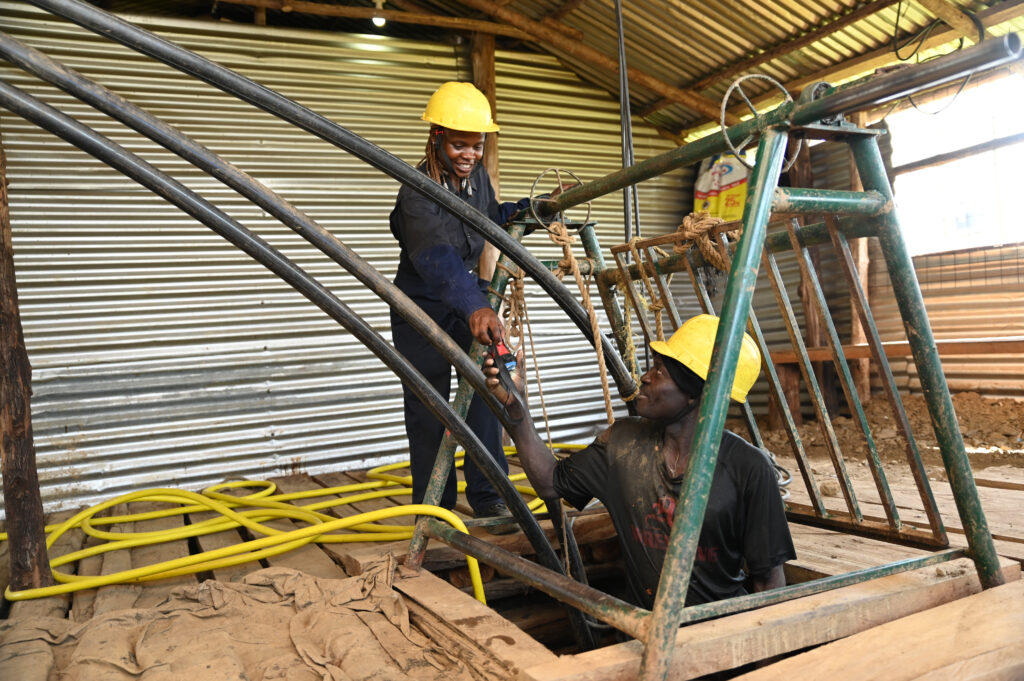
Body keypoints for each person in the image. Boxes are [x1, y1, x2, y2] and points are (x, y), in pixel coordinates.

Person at [485, 314, 796, 608]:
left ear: (695, 393)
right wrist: (517, 409)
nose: (645, 378)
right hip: (641, 633)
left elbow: (768, 581)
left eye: (660, 372)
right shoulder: (622, 443)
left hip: (719, 638)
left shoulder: (748, 469)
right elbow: (548, 481)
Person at [389, 81, 533, 533]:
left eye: (477, 144)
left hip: (467, 300)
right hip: (424, 306)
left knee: (486, 390)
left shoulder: (477, 180)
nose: (469, 154)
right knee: (431, 405)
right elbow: (437, 258)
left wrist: (529, 209)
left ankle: (490, 497)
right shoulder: (417, 190)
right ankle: (436, 508)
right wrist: (476, 306)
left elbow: (486, 217)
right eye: (458, 144)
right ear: (436, 138)